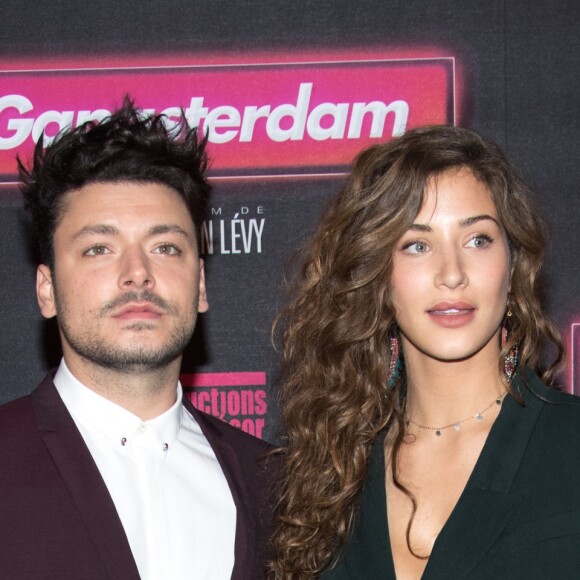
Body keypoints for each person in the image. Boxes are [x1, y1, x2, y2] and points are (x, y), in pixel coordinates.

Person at [269, 125, 580, 579]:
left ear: (513, 268)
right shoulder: (330, 473)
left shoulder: (570, 444)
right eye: (417, 245)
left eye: (478, 240)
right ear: (377, 277)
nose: (452, 273)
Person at [0, 100, 273, 580]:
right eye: (98, 249)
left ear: (202, 285)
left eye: (165, 247)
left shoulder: (270, 481)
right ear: (47, 290)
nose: (138, 274)